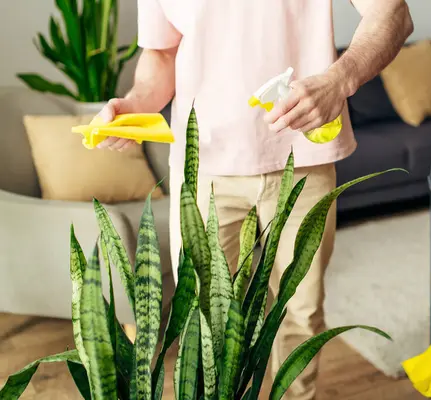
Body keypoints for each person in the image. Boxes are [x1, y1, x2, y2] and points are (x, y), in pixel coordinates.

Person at [97, 1, 413, 398]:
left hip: (305, 161)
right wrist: (136, 104)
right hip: (205, 165)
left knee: (300, 311)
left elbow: (394, 13)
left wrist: (340, 80)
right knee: (204, 320)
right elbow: (162, 52)